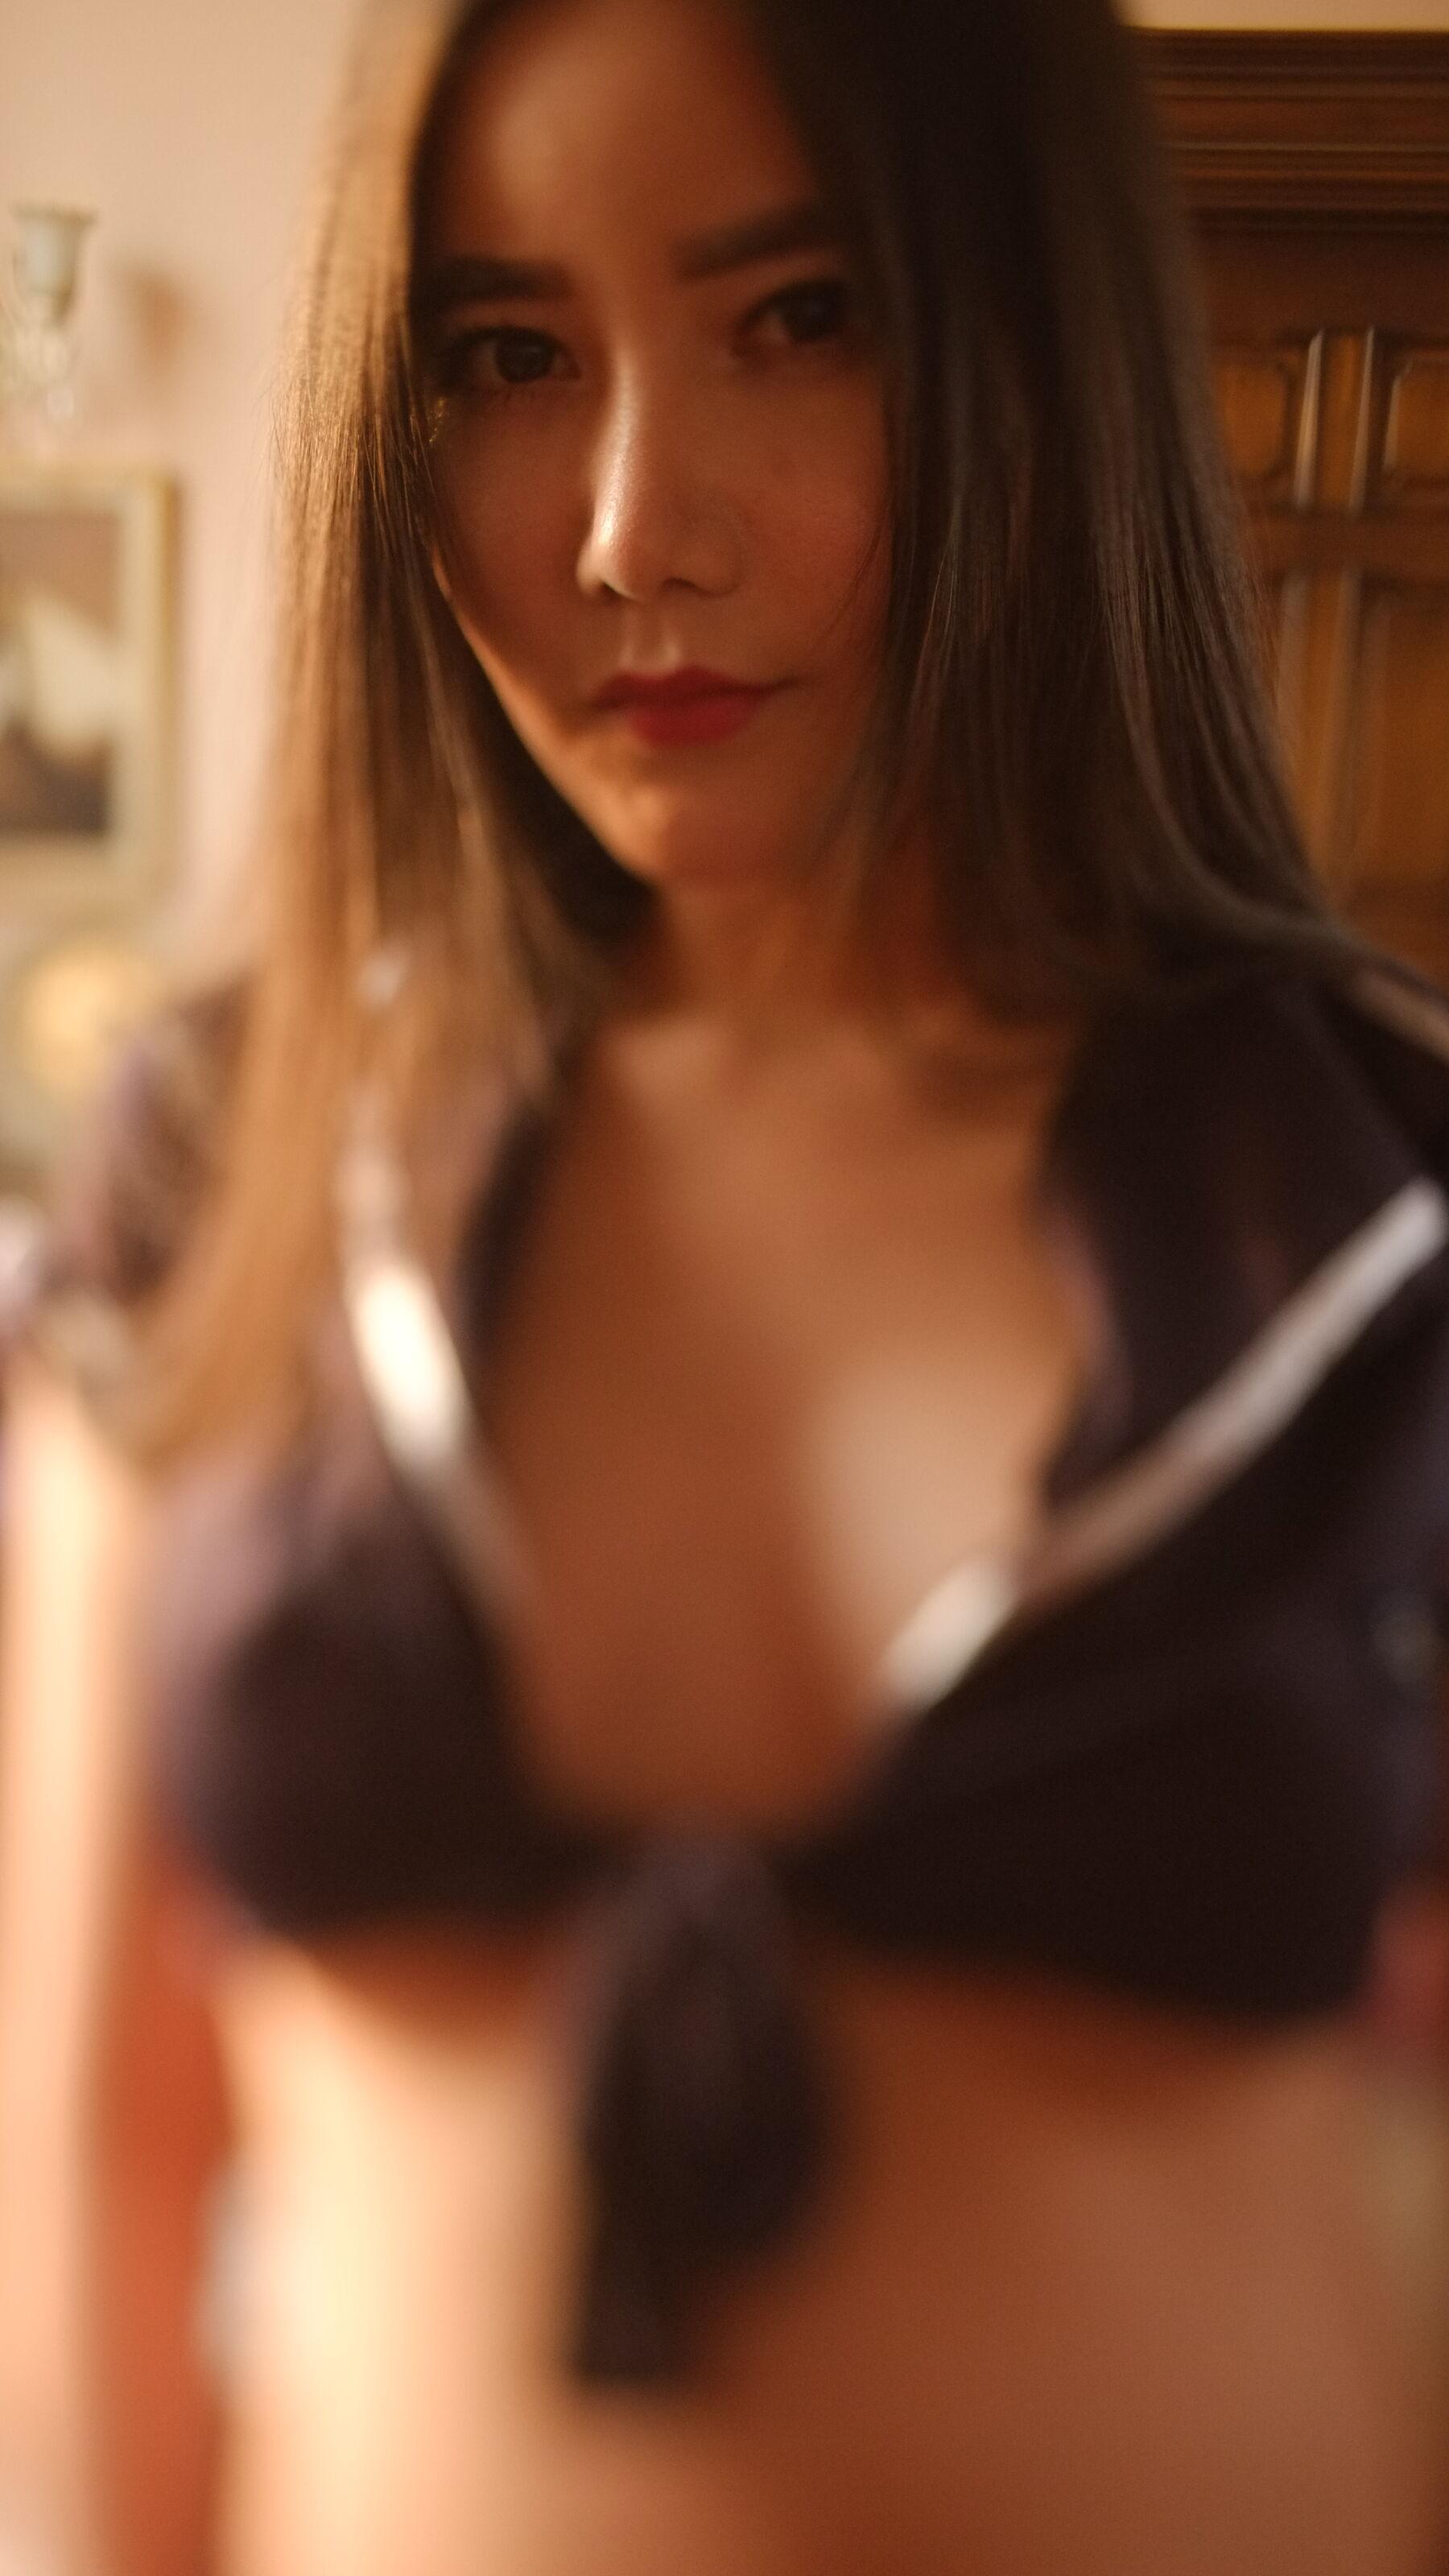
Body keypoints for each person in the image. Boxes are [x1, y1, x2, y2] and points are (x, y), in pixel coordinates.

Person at [0, 0, 1447, 2568]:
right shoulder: (236, 1157)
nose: (633, 530)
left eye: (803, 316)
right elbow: (92, 2165)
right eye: (508, 356)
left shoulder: (1381, 1189)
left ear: (1038, 345)